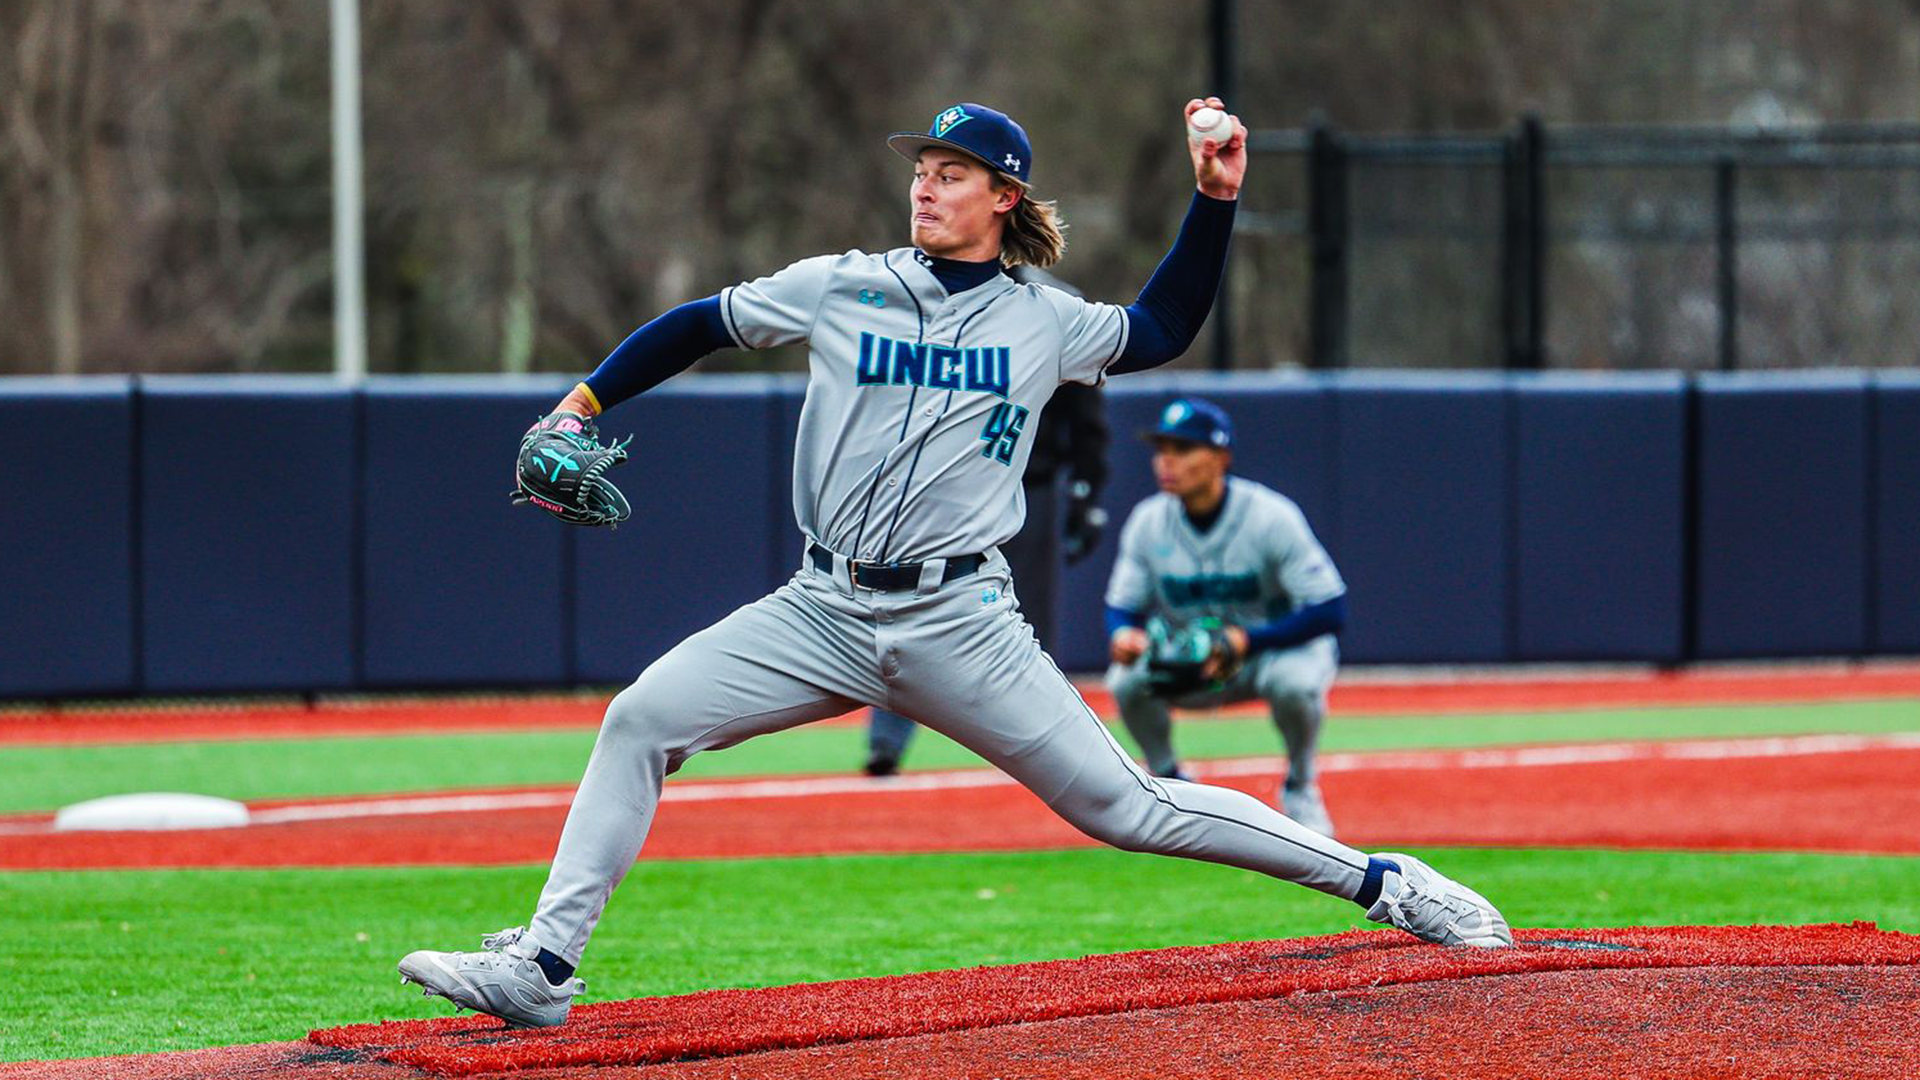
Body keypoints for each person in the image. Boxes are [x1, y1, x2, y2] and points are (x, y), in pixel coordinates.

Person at [397, 98, 1510, 1030]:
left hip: (961, 620)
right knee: (641, 718)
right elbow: (699, 323)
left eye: (954, 172)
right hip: (819, 606)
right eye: (923, 168)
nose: (927, 187)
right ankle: (545, 967)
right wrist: (582, 401)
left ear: (1005, 198)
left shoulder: (1045, 322)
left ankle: (1388, 884)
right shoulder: (842, 282)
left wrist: (1216, 197)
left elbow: (1164, 324)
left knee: (1127, 809)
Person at [864, 283, 1110, 778]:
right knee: (904, 604)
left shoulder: (1053, 308)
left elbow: (1088, 413)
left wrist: (1086, 489)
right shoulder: (929, 298)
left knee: (1028, 620)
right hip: (941, 484)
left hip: (1027, 482)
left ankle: (1044, 743)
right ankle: (887, 741)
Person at [1106, 397, 1346, 837]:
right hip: (1194, 659)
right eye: (1162, 449)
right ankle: (1170, 782)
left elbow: (1329, 609)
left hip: (1266, 655)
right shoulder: (1148, 521)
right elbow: (1122, 605)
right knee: (1125, 680)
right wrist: (1123, 634)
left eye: (1182, 449)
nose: (1167, 461)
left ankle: (1300, 783)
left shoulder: (1271, 516)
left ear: (1219, 458)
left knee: (1295, 684)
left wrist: (1246, 642)